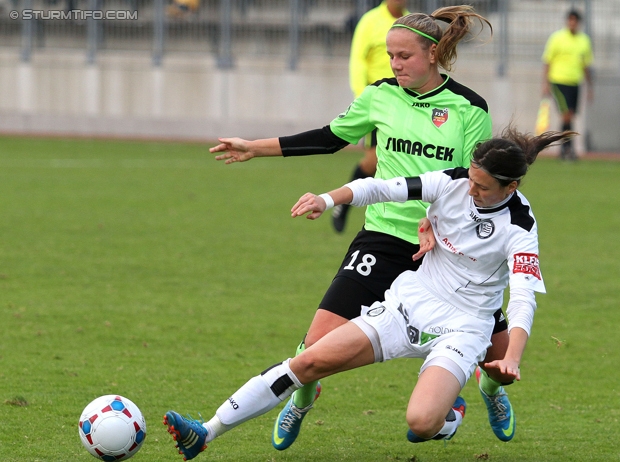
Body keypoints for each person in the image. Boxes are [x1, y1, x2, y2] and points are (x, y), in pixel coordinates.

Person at [164, 127, 575, 460]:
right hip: (407, 302)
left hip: (464, 327)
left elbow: (523, 298)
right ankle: (206, 432)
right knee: (307, 361)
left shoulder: (520, 227)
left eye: (482, 187)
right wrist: (328, 199)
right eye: (471, 179)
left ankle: (452, 414)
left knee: (421, 422)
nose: (471, 190)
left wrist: (513, 359)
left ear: (511, 186)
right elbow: (381, 188)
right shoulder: (452, 182)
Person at [210, 6, 515, 450]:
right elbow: (329, 137)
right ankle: (301, 401)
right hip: (385, 236)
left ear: (433, 54)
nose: (395, 64)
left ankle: (491, 391)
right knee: (314, 344)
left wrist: (433, 219)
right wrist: (254, 148)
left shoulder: (469, 108)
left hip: (448, 247)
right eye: (391, 56)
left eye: (404, 56)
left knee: (500, 358)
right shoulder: (380, 96)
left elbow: (468, 180)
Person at [333, 0, 410, 233]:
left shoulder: (411, 21)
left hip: (409, 104)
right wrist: (361, 97)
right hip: (381, 106)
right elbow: (357, 58)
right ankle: (343, 204)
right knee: (374, 161)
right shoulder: (370, 21)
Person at [542, 9, 593, 160]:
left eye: (574, 20)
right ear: (567, 21)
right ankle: (567, 149)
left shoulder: (584, 40)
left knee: (570, 116)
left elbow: (586, 65)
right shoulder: (557, 38)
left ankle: (565, 149)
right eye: (570, 20)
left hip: (575, 83)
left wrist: (590, 86)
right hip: (558, 81)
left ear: (578, 23)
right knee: (567, 115)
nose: (572, 23)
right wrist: (545, 83)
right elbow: (547, 61)